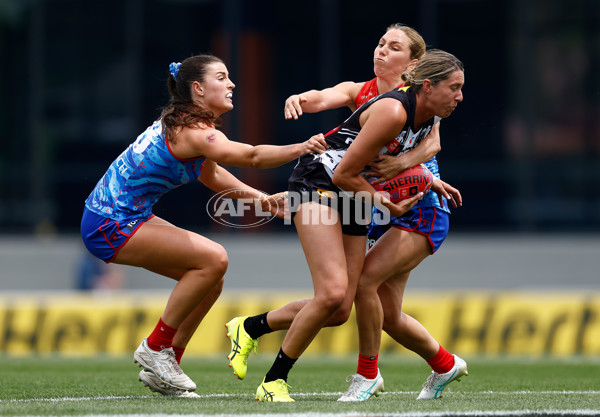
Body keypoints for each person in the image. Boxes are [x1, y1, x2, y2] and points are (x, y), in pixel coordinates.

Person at [226, 25, 466, 401]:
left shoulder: (430, 108)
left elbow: (427, 146)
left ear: (415, 65)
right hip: (327, 183)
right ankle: (275, 381)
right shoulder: (387, 104)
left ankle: (251, 328)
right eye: (382, 43)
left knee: (341, 306)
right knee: (338, 293)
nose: (382, 50)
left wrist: (416, 176)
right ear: (426, 83)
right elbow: (340, 160)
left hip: (358, 193)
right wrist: (300, 99)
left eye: (394, 46)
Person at [80, 54, 327, 398]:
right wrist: (301, 147)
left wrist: (264, 201)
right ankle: (155, 348)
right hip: (110, 222)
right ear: (198, 89)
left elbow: (210, 174)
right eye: (222, 77)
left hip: (122, 217)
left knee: (211, 279)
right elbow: (253, 156)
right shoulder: (194, 132)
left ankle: (168, 367)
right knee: (214, 258)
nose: (232, 84)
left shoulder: (192, 127)